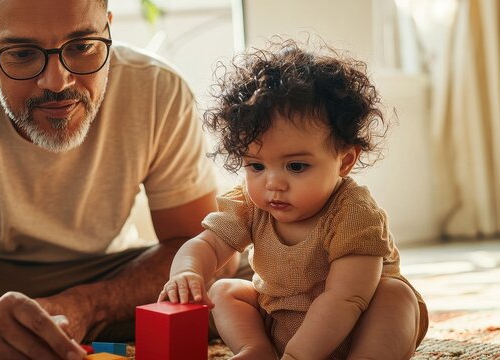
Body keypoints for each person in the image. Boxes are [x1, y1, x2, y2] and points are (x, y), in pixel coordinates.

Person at [0, 0, 240, 358]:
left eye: (82, 46)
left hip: (104, 272)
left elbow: (201, 247)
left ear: (108, 30)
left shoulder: (157, 88)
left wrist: (86, 305)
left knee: (239, 280)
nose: (57, 82)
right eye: (22, 54)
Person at [158, 39, 429, 359]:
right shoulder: (249, 204)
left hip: (356, 324)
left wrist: (299, 356)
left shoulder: (354, 212)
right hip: (284, 320)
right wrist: (187, 272)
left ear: (344, 161)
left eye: (296, 166)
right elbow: (206, 245)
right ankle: (255, 349)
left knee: (395, 296)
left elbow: (346, 298)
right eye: (256, 166)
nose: (273, 184)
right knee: (225, 291)